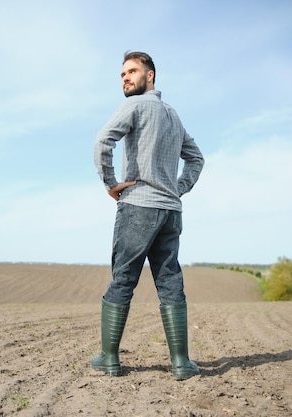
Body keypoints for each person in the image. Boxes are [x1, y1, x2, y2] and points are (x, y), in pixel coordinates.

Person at [91, 51, 205, 380]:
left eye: (132, 71)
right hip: (170, 212)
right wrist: (177, 187)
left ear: (150, 75)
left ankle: (109, 358)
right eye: (122, 74)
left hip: (138, 206)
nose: (125, 78)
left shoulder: (135, 106)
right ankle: (181, 364)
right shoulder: (173, 116)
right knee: (170, 282)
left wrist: (112, 184)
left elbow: (103, 142)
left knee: (123, 279)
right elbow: (197, 159)